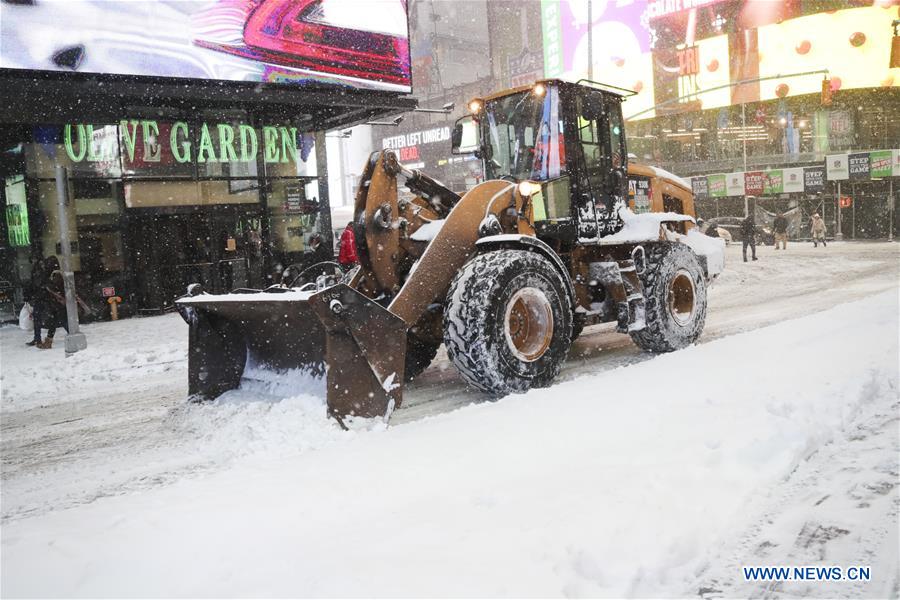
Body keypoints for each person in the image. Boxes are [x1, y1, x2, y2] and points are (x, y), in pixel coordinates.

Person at [36, 256, 68, 349]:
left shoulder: (56, 274)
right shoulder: (54, 274)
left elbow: (55, 288)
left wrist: (47, 285)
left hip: (58, 302)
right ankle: (48, 342)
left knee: (62, 321)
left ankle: (72, 335)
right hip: (56, 302)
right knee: (53, 322)